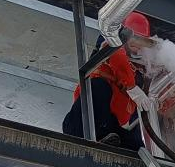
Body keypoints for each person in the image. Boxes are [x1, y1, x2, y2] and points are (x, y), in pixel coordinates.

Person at [63, 11, 155, 149]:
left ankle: (131, 156)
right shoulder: (110, 44)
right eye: (134, 39)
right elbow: (117, 56)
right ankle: (97, 138)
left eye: (141, 41)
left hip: (111, 127)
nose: (137, 45)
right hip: (83, 123)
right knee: (100, 87)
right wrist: (132, 88)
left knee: (136, 146)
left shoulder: (141, 68)